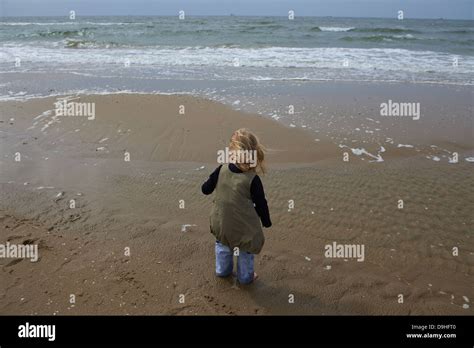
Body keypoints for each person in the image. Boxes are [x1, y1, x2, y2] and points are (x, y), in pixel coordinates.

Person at [201, 128, 272, 284]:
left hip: (222, 224)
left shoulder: (221, 169)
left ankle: (222, 271)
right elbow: (261, 204)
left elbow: (205, 189)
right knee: (245, 251)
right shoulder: (253, 179)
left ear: (232, 152)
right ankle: (245, 278)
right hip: (244, 229)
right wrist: (266, 221)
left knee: (223, 247)